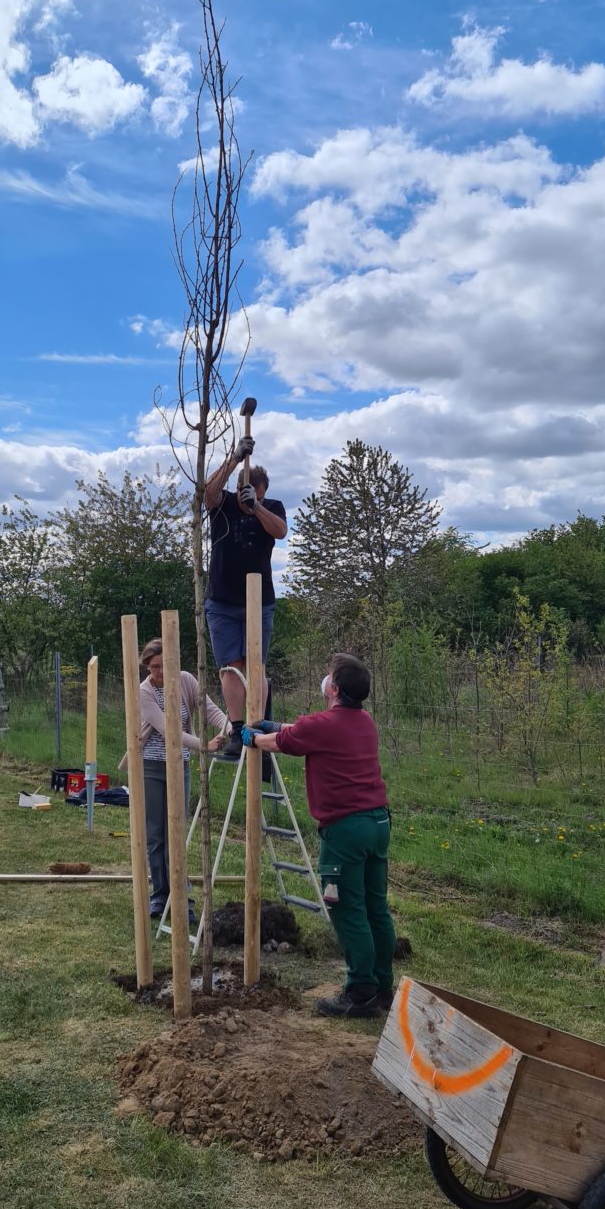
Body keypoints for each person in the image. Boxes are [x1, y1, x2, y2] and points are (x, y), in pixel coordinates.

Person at [242, 652, 396, 1019]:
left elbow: (284, 742)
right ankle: (382, 986)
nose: (325, 680)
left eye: (328, 675)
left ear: (336, 688)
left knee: (347, 909)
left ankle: (359, 993)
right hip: (377, 825)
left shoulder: (324, 723)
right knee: (376, 908)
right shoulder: (365, 721)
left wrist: (253, 738)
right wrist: (274, 725)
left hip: (346, 831)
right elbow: (302, 732)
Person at [119, 639, 228, 920]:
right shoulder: (144, 692)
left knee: (177, 833)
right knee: (156, 834)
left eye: (164, 666)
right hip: (151, 767)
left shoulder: (185, 680)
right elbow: (168, 730)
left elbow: (209, 708)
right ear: (146, 667)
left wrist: (231, 725)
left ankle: (182, 898)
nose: (159, 672)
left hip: (180, 765)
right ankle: (159, 895)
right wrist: (205, 744)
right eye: (153, 667)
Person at [204, 435, 287, 761]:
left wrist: (257, 508)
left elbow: (279, 531)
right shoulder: (222, 502)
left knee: (256, 668)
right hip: (222, 602)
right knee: (230, 668)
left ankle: (258, 728)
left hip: (259, 602)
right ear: (237, 489)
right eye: (248, 494)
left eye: (259, 495)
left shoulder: (271, 508)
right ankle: (238, 733)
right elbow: (206, 494)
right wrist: (235, 458)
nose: (252, 500)